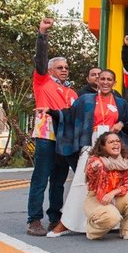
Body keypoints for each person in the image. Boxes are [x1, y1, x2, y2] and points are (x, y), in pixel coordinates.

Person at [46, 69, 128, 237]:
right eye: (102, 78)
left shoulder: (120, 103)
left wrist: (121, 124)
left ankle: (107, 221)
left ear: (114, 82)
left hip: (112, 145)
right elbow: (69, 115)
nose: (105, 82)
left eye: (109, 79)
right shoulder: (86, 100)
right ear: (97, 81)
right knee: (82, 182)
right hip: (91, 143)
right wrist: (52, 112)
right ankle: (66, 223)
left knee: (111, 182)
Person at [27, 18, 78, 236]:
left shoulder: (73, 93)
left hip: (65, 138)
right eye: (59, 67)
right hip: (46, 134)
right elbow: (40, 59)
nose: (64, 70)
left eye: (66, 67)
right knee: (40, 177)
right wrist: (42, 35)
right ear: (49, 70)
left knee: (58, 180)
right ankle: (34, 220)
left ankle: (55, 218)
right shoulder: (42, 81)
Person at [84, 132, 128, 240]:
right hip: (98, 199)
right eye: (111, 142)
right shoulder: (97, 160)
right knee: (112, 217)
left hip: (115, 197)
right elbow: (90, 175)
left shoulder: (126, 161)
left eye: (117, 141)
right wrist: (94, 169)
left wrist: (113, 193)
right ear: (103, 146)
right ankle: (92, 230)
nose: (116, 144)